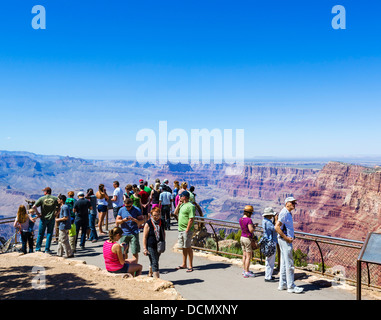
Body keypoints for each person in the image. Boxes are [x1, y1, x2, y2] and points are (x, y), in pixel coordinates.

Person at [275, 197, 304, 294]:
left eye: (294, 203)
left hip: (283, 240)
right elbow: (277, 227)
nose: (294, 205)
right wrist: (287, 238)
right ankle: (291, 286)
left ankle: (282, 284)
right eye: (292, 203)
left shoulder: (287, 213)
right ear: (287, 203)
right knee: (290, 264)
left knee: (283, 263)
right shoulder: (284, 213)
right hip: (285, 241)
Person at [115, 198, 144, 263]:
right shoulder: (121, 210)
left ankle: (135, 267)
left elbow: (142, 221)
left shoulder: (137, 210)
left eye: (129, 206)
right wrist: (123, 220)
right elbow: (117, 221)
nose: (127, 208)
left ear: (132, 204)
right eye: (126, 206)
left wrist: (136, 220)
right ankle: (126, 266)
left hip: (134, 233)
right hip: (124, 234)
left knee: (135, 251)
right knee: (124, 252)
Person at [33, 187, 59, 254]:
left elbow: (34, 206)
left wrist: (38, 213)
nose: (43, 192)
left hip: (43, 218)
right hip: (51, 218)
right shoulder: (55, 199)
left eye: (44, 191)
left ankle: (38, 249)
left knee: (40, 234)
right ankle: (47, 249)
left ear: (46, 192)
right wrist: (57, 213)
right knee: (49, 234)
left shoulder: (42, 199)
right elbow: (61, 205)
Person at [174, 190, 195, 272]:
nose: (179, 197)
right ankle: (184, 264)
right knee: (183, 247)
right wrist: (178, 205)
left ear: (184, 197)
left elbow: (191, 219)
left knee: (188, 247)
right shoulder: (182, 205)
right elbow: (175, 213)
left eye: (181, 196)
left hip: (187, 230)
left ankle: (190, 265)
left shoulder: (191, 206)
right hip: (180, 229)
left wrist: (187, 230)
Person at [143, 207, 165, 278]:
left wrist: (163, 241)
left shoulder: (161, 222)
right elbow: (145, 237)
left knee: (155, 260)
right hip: (150, 245)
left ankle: (150, 272)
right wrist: (145, 248)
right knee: (155, 262)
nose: (156, 217)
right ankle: (157, 279)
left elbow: (163, 232)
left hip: (159, 244)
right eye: (154, 215)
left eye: (158, 215)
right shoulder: (148, 224)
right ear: (151, 215)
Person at [239, 205, 256, 278]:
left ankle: (244, 270)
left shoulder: (241, 219)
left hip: (242, 237)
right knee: (248, 256)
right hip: (247, 239)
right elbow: (251, 230)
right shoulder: (249, 220)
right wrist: (254, 226)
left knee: (244, 255)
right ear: (249, 213)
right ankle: (247, 272)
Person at [262, 207, 278, 282]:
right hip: (271, 242)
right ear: (269, 215)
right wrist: (276, 220)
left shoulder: (264, 221)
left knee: (268, 259)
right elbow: (275, 229)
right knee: (271, 260)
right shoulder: (268, 222)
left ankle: (268, 275)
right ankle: (268, 277)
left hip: (267, 241)